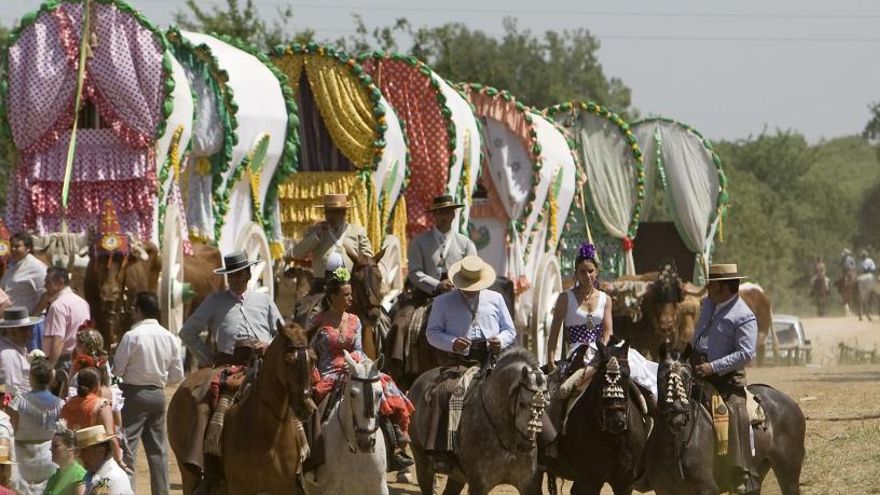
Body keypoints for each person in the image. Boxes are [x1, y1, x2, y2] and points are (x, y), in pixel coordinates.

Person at [178, 251, 283, 492]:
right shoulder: (214, 301)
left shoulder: (264, 301)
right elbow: (187, 332)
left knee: (294, 398)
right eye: (232, 275)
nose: (236, 278)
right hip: (229, 366)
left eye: (240, 273)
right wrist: (209, 357)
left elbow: (281, 333)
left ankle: (301, 462)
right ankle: (206, 465)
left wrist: (268, 346)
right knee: (211, 403)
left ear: (248, 274)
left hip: (264, 364)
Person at [541, 242, 656, 453]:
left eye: (591, 271)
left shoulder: (605, 299)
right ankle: (554, 442)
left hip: (602, 350)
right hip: (577, 352)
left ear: (597, 272)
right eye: (582, 271)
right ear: (576, 272)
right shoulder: (564, 298)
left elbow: (607, 332)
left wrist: (603, 353)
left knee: (634, 374)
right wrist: (550, 360)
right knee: (561, 392)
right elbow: (554, 333)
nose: (587, 275)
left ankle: (648, 423)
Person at [309, 267, 414, 471]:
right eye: (346, 295)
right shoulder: (316, 322)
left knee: (382, 384)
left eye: (351, 294)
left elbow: (357, 349)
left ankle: (395, 444)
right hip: (327, 373)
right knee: (309, 406)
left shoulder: (355, 320)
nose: (350, 298)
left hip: (354, 366)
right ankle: (309, 450)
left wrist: (357, 366)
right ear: (332, 297)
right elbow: (312, 352)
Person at [691, 263, 759, 494]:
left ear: (723, 287)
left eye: (711, 283)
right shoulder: (709, 304)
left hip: (727, 380)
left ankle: (741, 473)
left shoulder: (744, 315)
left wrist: (713, 367)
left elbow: (747, 353)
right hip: (697, 369)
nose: (707, 286)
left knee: (733, 411)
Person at [113, 292, 183, 495]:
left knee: (129, 449)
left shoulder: (131, 336)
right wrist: (159, 380)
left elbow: (117, 369)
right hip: (158, 394)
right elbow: (177, 374)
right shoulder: (169, 337)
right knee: (158, 451)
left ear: (139, 310)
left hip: (133, 394)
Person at [425, 255, 516, 362]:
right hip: (456, 359)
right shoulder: (442, 302)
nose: (471, 290)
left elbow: (510, 330)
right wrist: (452, 343)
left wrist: (500, 340)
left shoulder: (496, 298)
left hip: (492, 357)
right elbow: (432, 333)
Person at [288, 193, 373, 294]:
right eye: (328, 212)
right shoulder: (315, 230)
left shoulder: (357, 231)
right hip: (322, 285)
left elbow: (369, 260)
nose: (331, 216)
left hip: (350, 284)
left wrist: (356, 258)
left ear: (344, 213)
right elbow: (297, 254)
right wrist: (317, 235)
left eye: (336, 212)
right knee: (305, 309)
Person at [8, 351, 63, 494]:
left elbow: (12, 428)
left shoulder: (19, 402)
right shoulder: (60, 404)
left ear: (31, 378)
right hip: (48, 455)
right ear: (51, 378)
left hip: (23, 456)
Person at [407, 195, 477, 298]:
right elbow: (414, 272)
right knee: (405, 313)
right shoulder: (418, 242)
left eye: (448, 212)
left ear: (453, 215)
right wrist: (437, 285)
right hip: (426, 295)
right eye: (440, 213)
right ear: (434, 215)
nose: (444, 217)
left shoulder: (466, 243)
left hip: (459, 296)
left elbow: (472, 269)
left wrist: (457, 284)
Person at [60, 369, 126, 472]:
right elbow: (111, 436)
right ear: (97, 384)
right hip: (96, 462)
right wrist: (119, 460)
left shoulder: (67, 405)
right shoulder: (101, 405)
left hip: (73, 461)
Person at [0, 232, 47, 351]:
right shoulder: (13, 265)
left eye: (18, 246)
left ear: (28, 248)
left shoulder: (36, 267)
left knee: (31, 360)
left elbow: (46, 293)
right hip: (12, 324)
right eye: (12, 246)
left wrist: (33, 315)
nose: (14, 249)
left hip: (28, 326)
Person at [42, 267, 90, 372]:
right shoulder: (82, 302)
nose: (44, 285)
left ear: (60, 282)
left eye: (48, 282)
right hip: (80, 360)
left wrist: (50, 367)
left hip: (62, 363)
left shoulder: (58, 305)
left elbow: (58, 339)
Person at [75, 426, 132, 495]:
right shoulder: (92, 472)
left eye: (84, 451)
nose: (80, 456)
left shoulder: (110, 480)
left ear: (101, 451)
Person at [0, 306, 44, 397]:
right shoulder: (8, 354)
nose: (29, 333)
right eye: (23, 329)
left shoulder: (14, 347)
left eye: (29, 328)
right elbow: (8, 389)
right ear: (10, 330)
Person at [43, 423, 86, 495]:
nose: (50, 449)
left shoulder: (78, 476)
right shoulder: (55, 476)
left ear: (70, 449)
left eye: (56, 446)